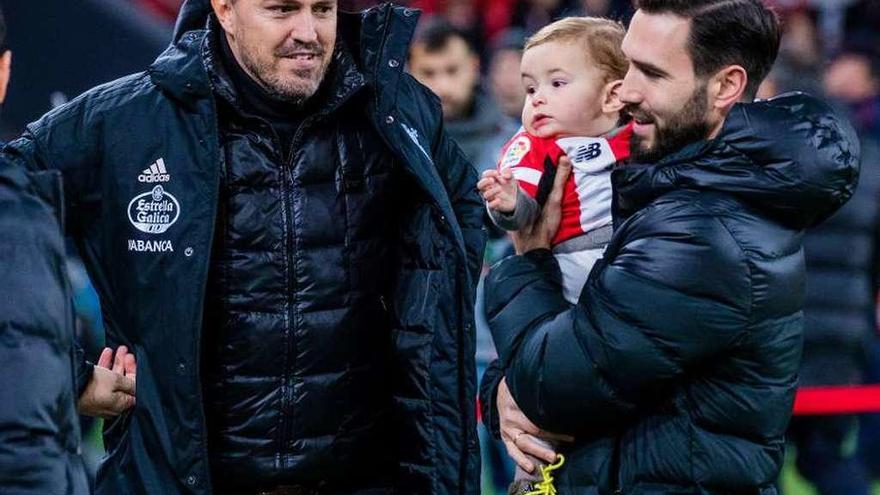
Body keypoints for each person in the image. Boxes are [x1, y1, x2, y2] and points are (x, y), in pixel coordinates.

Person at [2, 0, 485, 493]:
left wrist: (506, 375)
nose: (309, 32)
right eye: (282, 10)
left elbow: (463, 225)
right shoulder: (125, 122)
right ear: (225, 10)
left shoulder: (399, 113)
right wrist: (67, 370)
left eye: (323, 9)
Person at [479, 0, 860, 493]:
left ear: (725, 86)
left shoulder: (702, 230)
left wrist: (528, 260)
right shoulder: (663, 182)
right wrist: (501, 395)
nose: (625, 89)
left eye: (651, 73)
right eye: (627, 62)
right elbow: (544, 366)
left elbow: (553, 385)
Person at [479, 17, 632, 306]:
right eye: (531, 89)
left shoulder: (641, 133)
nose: (537, 99)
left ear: (612, 96)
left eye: (557, 83)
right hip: (572, 259)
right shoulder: (534, 143)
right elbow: (522, 216)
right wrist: (509, 201)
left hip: (634, 247)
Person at [408, 16, 509, 167]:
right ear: (409, 74)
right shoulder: (394, 144)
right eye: (428, 73)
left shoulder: (511, 143)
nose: (442, 87)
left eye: (452, 70)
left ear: (474, 67)